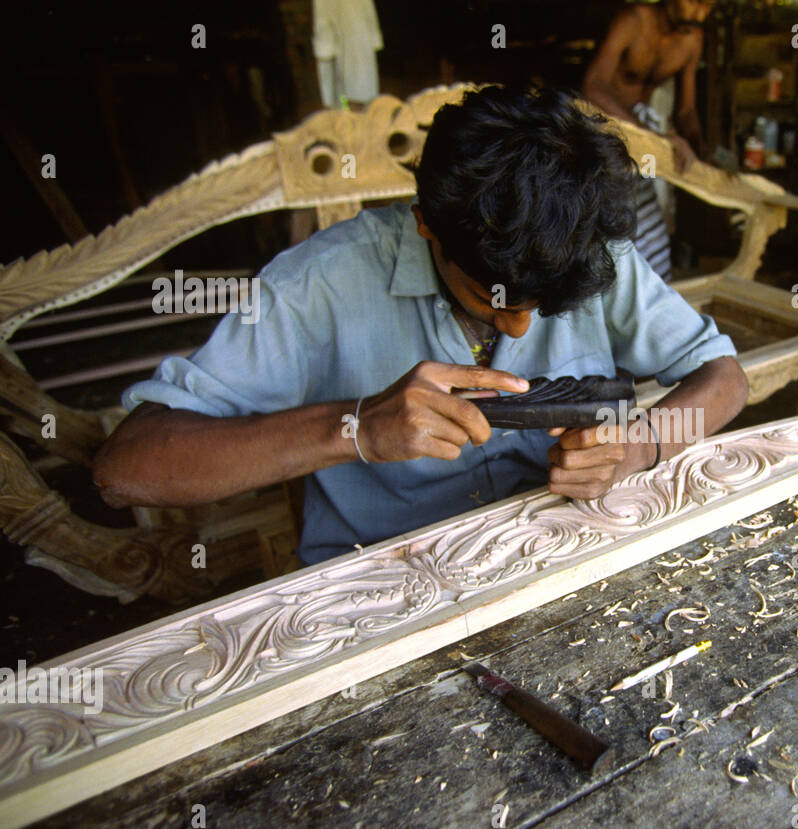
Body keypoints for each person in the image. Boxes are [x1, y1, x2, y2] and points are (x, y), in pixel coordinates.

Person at [93, 86, 748, 565]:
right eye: (490, 298)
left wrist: (639, 444)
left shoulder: (589, 248)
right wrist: (356, 427)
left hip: (556, 547)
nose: (518, 329)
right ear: (426, 222)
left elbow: (723, 378)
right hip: (380, 584)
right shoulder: (320, 283)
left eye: (538, 305)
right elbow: (126, 467)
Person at [582, 0, 713, 279]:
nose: (700, 15)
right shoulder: (633, 20)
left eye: (708, 7)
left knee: (652, 240)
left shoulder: (692, 40)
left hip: (641, 141)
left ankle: (649, 306)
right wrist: (650, 137)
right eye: (695, 3)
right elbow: (593, 86)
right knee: (606, 233)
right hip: (601, 129)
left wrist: (702, 153)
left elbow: (686, 110)